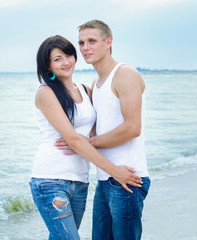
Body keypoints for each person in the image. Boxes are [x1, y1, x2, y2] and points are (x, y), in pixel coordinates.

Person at [30, 35, 142, 240]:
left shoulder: (85, 89)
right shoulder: (46, 93)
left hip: (80, 182)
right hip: (50, 180)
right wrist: (115, 171)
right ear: (47, 66)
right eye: (57, 59)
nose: (66, 62)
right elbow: (73, 139)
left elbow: (95, 136)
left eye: (68, 55)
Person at [55, 20, 150, 240]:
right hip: (106, 179)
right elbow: (95, 131)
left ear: (108, 42)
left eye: (91, 41)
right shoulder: (95, 83)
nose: (85, 47)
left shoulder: (125, 74)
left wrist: (86, 144)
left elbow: (132, 128)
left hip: (128, 178)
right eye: (81, 43)